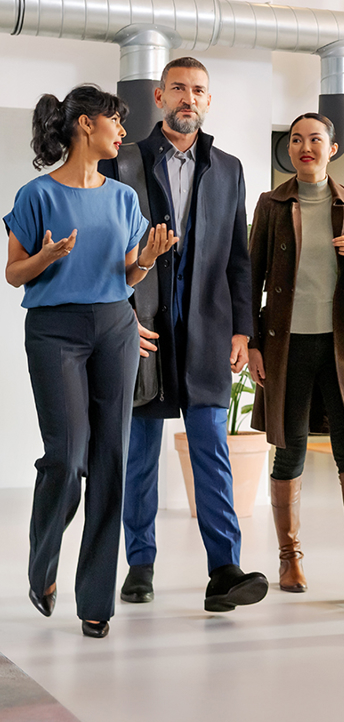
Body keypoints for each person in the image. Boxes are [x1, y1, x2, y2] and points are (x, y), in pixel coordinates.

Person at [4, 85, 177, 638]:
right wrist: (44, 257)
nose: (122, 134)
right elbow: (13, 274)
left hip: (114, 329)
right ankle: (43, 562)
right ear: (85, 126)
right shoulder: (35, 196)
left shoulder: (124, 199)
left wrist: (146, 260)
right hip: (55, 331)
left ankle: (96, 599)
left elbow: (125, 276)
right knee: (67, 454)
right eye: (115, 123)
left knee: (111, 459)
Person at [99, 57, 268, 612]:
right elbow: (107, 249)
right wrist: (118, 320)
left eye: (198, 90)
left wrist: (245, 328)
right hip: (142, 326)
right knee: (141, 452)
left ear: (208, 100)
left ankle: (224, 570)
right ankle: (140, 564)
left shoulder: (229, 168)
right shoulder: (123, 161)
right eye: (178, 88)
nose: (188, 98)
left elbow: (238, 261)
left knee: (211, 449)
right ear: (159, 95)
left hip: (207, 330)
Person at [248, 113, 344, 601]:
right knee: (289, 448)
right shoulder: (271, 204)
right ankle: (290, 561)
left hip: (340, 344)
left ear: (333, 148)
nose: (305, 147)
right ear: (288, 149)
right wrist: (250, 342)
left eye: (315, 140)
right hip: (286, 344)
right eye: (296, 140)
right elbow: (251, 278)